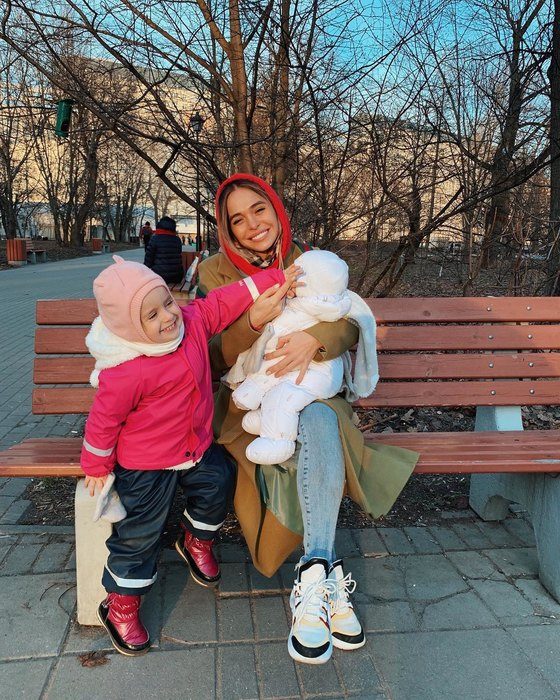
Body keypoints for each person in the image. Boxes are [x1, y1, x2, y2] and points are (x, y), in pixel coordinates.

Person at [198, 173, 419, 665]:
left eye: (259, 209)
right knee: (304, 439)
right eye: (238, 219)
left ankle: (314, 571)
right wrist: (253, 321)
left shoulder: (308, 258)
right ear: (227, 230)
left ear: (276, 210)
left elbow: (348, 318)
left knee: (319, 419)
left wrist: (315, 340)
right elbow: (206, 354)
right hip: (249, 408)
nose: (253, 224)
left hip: (313, 392)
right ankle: (325, 575)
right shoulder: (214, 273)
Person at [81, 254, 298, 657]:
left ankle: (196, 539)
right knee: (140, 532)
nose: (168, 316)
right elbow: (102, 423)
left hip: (194, 448)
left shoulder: (191, 323)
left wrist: (274, 277)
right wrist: (95, 465)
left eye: (167, 302)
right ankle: (120, 604)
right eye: (151, 315)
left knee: (218, 481)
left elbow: (224, 301)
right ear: (129, 326)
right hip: (145, 465)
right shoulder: (125, 371)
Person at [144, 216, 183, 285]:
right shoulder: (177, 240)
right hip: (177, 277)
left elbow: (148, 261)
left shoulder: (155, 239)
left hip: (160, 277)